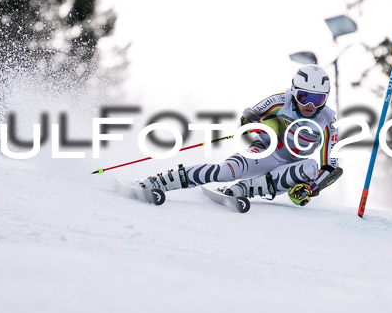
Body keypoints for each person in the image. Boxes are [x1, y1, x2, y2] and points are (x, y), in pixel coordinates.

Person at [139, 64, 342, 206]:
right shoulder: (281, 101)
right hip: (263, 152)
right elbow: (247, 118)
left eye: (317, 99)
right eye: (304, 96)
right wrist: (256, 123)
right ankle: (160, 181)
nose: (310, 105)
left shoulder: (328, 122)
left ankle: (245, 189)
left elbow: (331, 166)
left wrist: (313, 188)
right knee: (225, 172)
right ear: (294, 91)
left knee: (311, 167)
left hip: (287, 171)